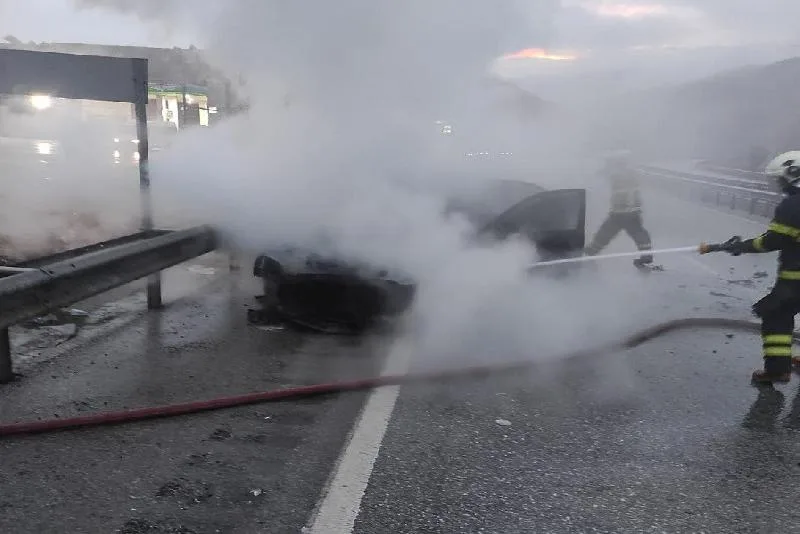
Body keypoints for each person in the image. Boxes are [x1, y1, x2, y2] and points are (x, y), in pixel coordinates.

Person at [706, 151, 800, 384]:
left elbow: (771, 242)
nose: (778, 185)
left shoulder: (792, 206)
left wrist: (740, 246)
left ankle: (778, 370)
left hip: (795, 278)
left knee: (776, 315)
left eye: (779, 180)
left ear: (792, 174)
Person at [584, 150, 654, 268]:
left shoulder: (619, 174)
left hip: (622, 212)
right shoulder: (629, 173)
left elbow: (605, 174)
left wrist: (604, 169)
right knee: (637, 233)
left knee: (607, 231)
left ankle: (593, 250)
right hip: (630, 211)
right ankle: (646, 255)